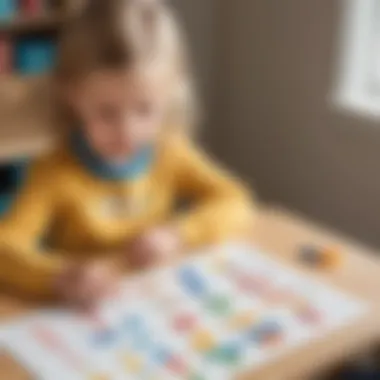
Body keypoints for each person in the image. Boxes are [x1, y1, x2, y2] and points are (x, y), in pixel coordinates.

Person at [0, 0, 255, 308]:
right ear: (72, 95)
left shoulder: (168, 151)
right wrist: (60, 276)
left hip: (156, 304)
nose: (127, 131)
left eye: (145, 109)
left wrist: (176, 235)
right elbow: (6, 249)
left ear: (170, 92)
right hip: (86, 314)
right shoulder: (53, 172)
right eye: (107, 113)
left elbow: (235, 199)